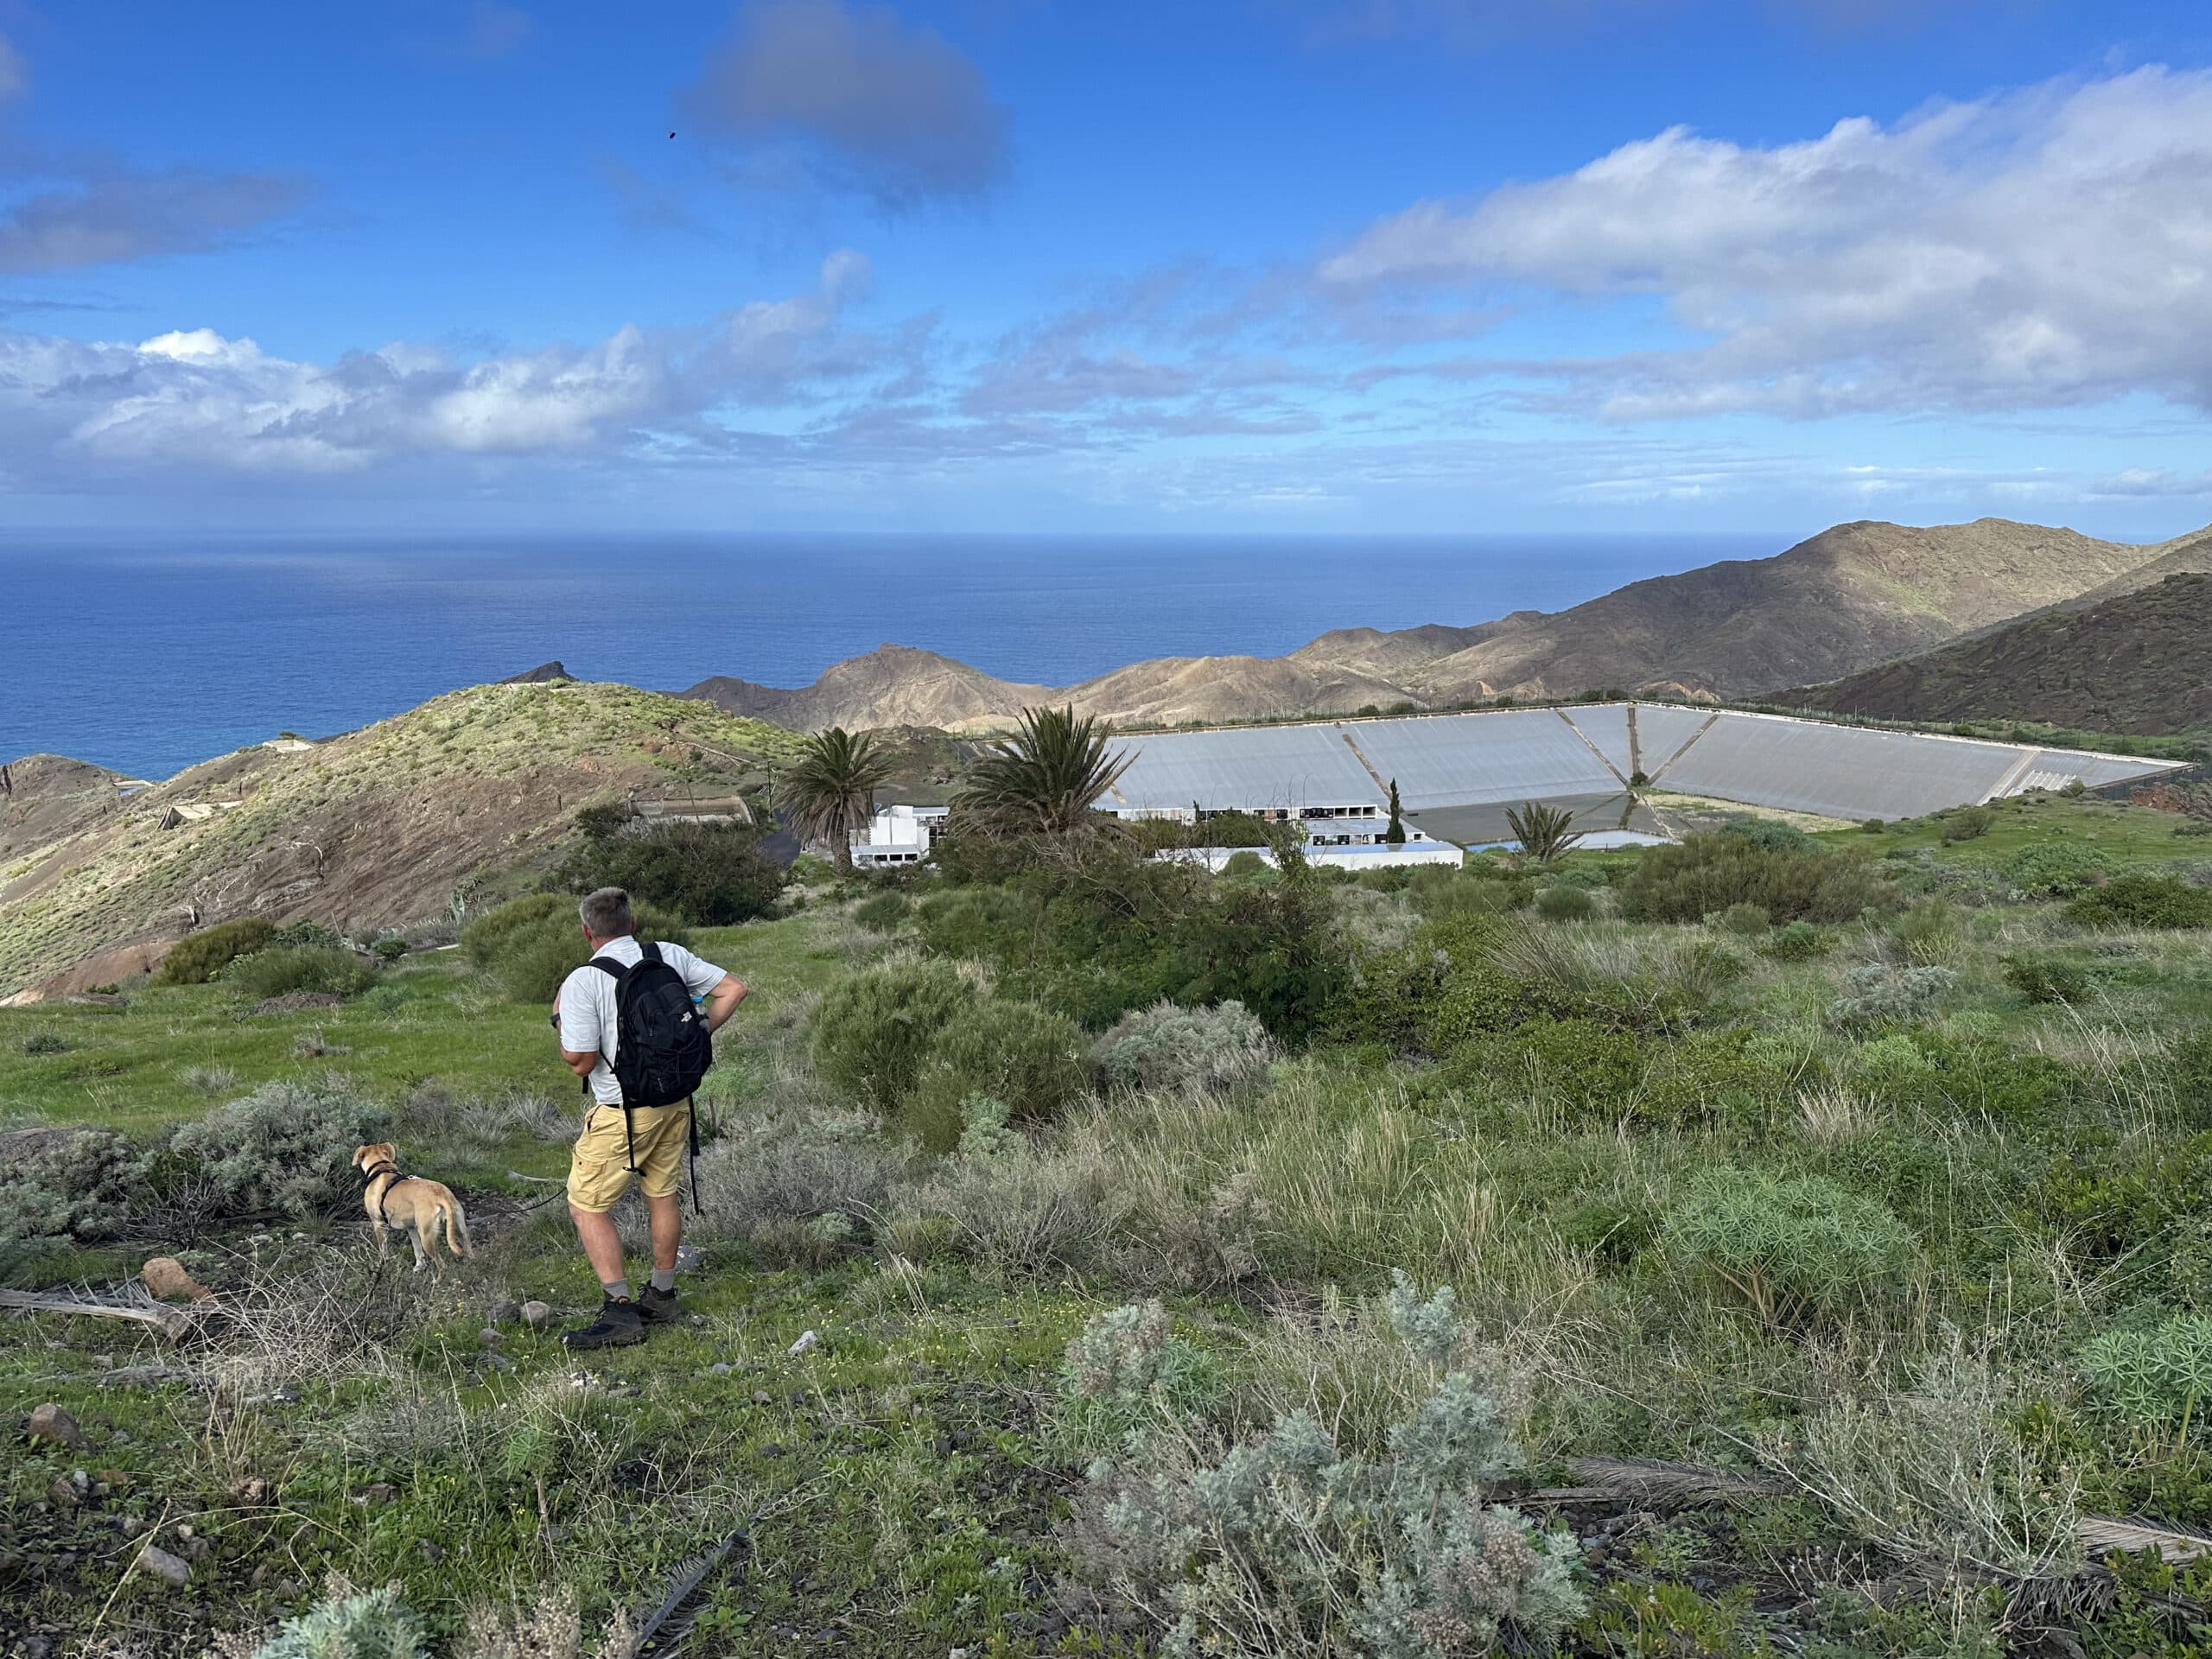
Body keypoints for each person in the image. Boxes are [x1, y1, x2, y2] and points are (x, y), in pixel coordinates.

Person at [552, 887, 746, 1349]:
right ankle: (661, 1296)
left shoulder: (583, 980)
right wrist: (699, 1034)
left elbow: (579, 1061)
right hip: (674, 1101)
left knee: (586, 1206)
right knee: (661, 1194)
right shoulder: (668, 955)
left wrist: (559, 1021)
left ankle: (619, 1312)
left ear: (587, 933)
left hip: (622, 1113)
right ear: (632, 924)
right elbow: (733, 989)